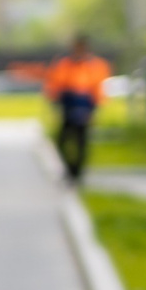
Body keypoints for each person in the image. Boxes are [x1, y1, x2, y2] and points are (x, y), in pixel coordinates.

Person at [45, 34, 112, 184]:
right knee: (63, 141)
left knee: (81, 142)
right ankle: (69, 169)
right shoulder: (65, 64)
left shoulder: (95, 65)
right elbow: (55, 83)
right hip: (68, 104)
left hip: (85, 105)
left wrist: (95, 108)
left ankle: (77, 174)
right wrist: (54, 101)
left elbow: (98, 88)